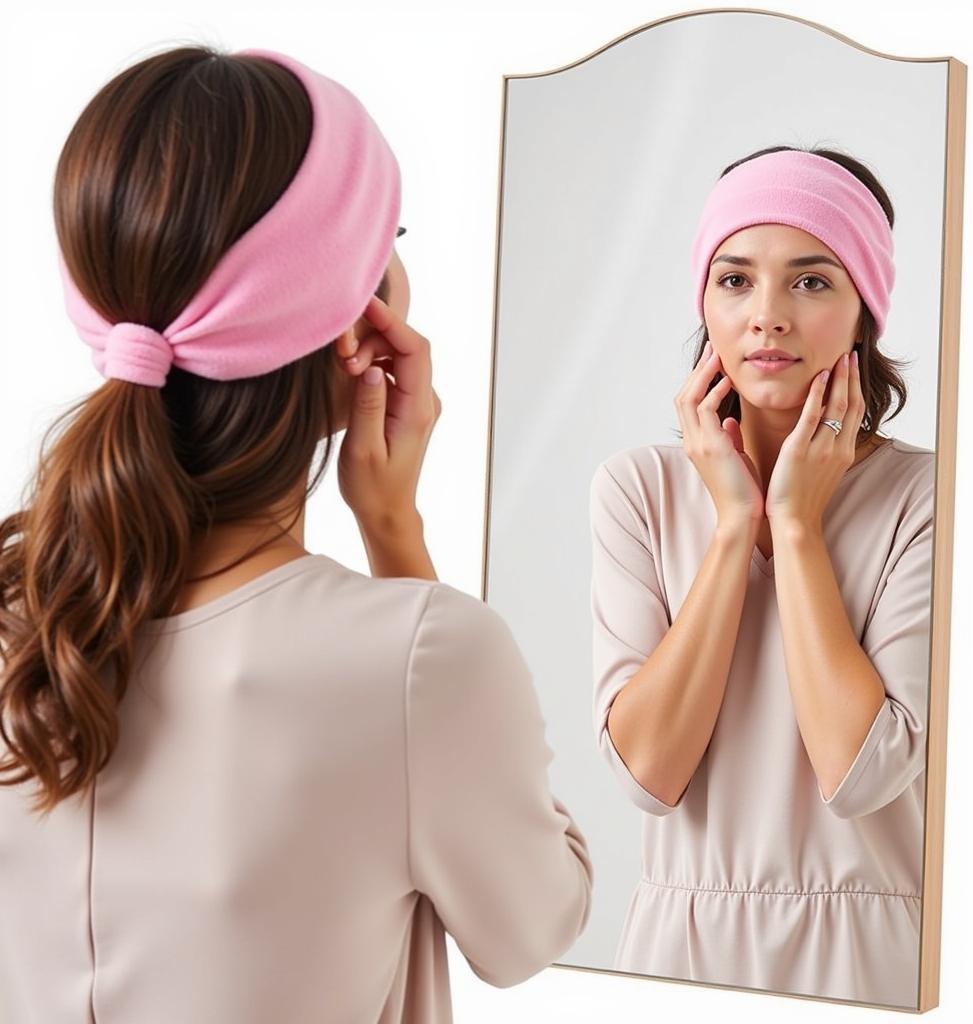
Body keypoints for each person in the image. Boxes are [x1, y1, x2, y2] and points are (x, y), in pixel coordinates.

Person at [0, 45, 592, 1024]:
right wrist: (396, 534)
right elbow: (532, 926)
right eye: (386, 239)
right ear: (357, 330)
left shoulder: (24, 614)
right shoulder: (417, 656)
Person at [589, 146, 933, 1007]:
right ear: (705, 302)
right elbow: (647, 776)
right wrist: (735, 523)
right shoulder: (639, 487)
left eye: (812, 282)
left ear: (865, 313)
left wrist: (796, 525)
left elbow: (862, 776)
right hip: (676, 948)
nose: (767, 317)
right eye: (735, 280)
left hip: (867, 955)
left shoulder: (929, 496)